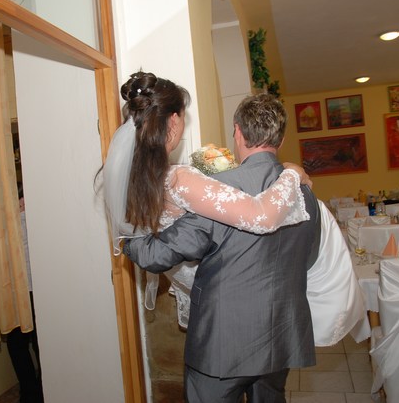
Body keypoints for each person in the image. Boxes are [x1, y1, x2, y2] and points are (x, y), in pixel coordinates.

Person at [124, 93, 321, 403]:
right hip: (281, 334)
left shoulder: (213, 191)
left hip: (223, 342)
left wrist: (126, 236)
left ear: (237, 132)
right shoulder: (304, 191)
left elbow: (156, 255)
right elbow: (309, 257)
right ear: (281, 140)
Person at [102, 71, 312, 327]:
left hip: (190, 287)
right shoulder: (178, 179)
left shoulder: (134, 177)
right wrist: (292, 173)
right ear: (174, 120)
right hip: (224, 297)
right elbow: (262, 216)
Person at [5, 185, 43, 403]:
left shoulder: (24, 220)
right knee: (23, 343)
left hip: (30, 289)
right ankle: (34, 390)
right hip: (22, 289)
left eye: (25, 203)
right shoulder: (14, 221)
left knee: (25, 343)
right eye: (20, 202)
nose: (22, 207)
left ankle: (33, 391)